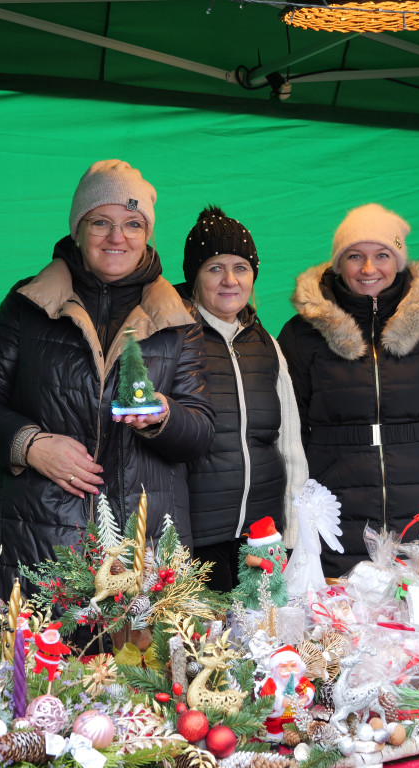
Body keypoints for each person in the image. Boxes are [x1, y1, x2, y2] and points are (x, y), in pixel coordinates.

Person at [0, 160, 215, 600]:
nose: (118, 237)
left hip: (142, 545)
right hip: (31, 538)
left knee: (134, 667)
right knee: (32, 665)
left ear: (147, 233)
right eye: (101, 222)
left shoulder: (178, 318)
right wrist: (31, 445)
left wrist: (163, 418)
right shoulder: (28, 305)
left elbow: (202, 430)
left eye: (133, 224)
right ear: (78, 229)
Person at [277, 203, 419, 577]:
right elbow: (286, 429)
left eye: (382, 255)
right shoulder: (303, 333)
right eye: (355, 256)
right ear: (338, 263)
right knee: (339, 621)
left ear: (399, 261)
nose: (368, 269)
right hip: (337, 510)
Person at [175, 206, 308, 592]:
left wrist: (293, 531)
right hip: (196, 540)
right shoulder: (175, 337)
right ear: (194, 277)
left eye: (241, 267)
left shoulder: (266, 344)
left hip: (262, 536)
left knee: (263, 641)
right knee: (204, 647)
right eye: (215, 268)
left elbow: (291, 444)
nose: (230, 280)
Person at [259, 645, 315, 741]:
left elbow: (310, 688)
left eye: (293, 666)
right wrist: (280, 701)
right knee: (273, 724)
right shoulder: (272, 681)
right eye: (284, 666)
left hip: (295, 714)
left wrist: (306, 698)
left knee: (298, 723)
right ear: (276, 669)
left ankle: (297, 734)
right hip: (278, 715)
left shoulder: (300, 681)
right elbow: (267, 693)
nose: (289, 670)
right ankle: (274, 737)